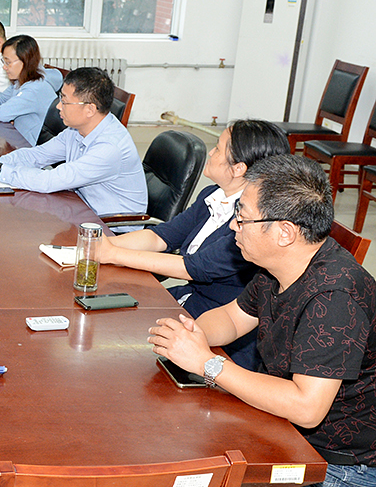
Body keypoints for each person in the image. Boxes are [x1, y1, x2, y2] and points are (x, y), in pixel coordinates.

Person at [149, 154, 376, 487]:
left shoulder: (335, 299)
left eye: (242, 216)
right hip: (280, 432)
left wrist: (207, 363)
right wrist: (192, 337)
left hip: (330, 472)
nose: (233, 225)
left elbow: (306, 407)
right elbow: (231, 318)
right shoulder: (281, 267)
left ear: (284, 232)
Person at [97, 120, 288, 369]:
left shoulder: (251, 224)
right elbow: (162, 236)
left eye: (218, 148)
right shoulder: (213, 195)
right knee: (110, 322)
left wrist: (113, 254)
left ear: (238, 168)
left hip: (223, 331)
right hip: (189, 303)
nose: (211, 152)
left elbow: (194, 267)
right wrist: (103, 244)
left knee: (121, 352)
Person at [0, 67, 146, 219]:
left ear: (90, 109)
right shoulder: (77, 130)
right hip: (80, 208)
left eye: (65, 101)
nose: (58, 106)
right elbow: (38, 155)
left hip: (110, 228)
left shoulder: (109, 148)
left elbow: (50, 181)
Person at [0, 35, 60, 146]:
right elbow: (2, 97)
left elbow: (2, 113)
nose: (4, 67)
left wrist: (12, 112)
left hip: (32, 146)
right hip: (20, 138)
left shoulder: (34, 89)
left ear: (25, 61)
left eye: (8, 62)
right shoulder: (21, 81)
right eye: (4, 62)